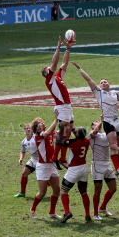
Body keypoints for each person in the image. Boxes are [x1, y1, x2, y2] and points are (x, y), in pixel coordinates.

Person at [72, 61, 119, 180]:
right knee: (114, 145)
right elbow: (89, 80)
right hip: (108, 121)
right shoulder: (99, 92)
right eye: (101, 82)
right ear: (100, 86)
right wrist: (80, 69)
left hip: (118, 121)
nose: (103, 83)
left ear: (109, 84)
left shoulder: (115, 93)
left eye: (105, 81)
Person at [42, 36, 76, 171]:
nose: (50, 68)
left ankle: (62, 158)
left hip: (68, 106)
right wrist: (58, 47)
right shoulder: (49, 79)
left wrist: (68, 49)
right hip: (62, 107)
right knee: (63, 133)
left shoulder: (58, 76)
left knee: (68, 133)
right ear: (46, 73)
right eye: (47, 69)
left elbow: (64, 63)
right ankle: (55, 158)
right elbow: (55, 62)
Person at [30, 116, 62, 219]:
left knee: (57, 190)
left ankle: (52, 212)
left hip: (51, 166)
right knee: (43, 192)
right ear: (36, 127)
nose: (42, 123)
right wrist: (56, 120)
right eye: (39, 123)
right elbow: (48, 133)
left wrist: (66, 123)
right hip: (42, 167)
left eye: (42, 122)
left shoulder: (49, 134)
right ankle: (33, 209)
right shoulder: (38, 135)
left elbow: (57, 134)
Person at [60, 127, 91, 223]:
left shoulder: (73, 143)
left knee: (63, 191)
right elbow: (78, 138)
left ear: (77, 135)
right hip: (84, 168)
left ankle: (67, 212)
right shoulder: (87, 141)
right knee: (84, 192)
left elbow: (61, 142)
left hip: (74, 169)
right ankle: (87, 215)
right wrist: (74, 132)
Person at [89, 116, 117, 220]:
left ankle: (103, 207)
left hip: (107, 164)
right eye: (95, 122)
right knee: (98, 189)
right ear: (92, 126)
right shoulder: (92, 135)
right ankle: (96, 213)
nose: (97, 122)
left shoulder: (106, 135)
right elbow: (95, 131)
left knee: (113, 188)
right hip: (97, 165)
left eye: (98, 121)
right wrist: (102, 120)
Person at [14, 124, 39, 198]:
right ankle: (22, 193)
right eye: (26, 128)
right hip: (34, 159)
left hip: (42, 161)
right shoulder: (24, 142)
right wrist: (21, 158)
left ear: (33, 129)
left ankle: (55, 188)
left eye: (30, 128)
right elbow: (23, 151)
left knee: (46, 180)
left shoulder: (36, 138)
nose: (28, 130)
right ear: (24, 130)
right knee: (24, 174)